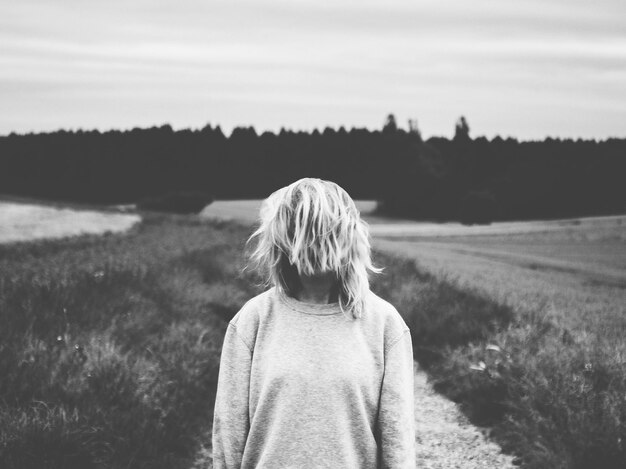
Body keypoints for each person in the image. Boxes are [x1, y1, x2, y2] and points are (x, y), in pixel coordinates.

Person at [212, 178, 415, 468]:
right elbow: (228, 436)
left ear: (346, 236)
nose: (314, 243)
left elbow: (398, 441)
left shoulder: (384, 325)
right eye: (302, 232)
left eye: (323, 232)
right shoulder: (252, 320)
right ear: (282, 239)